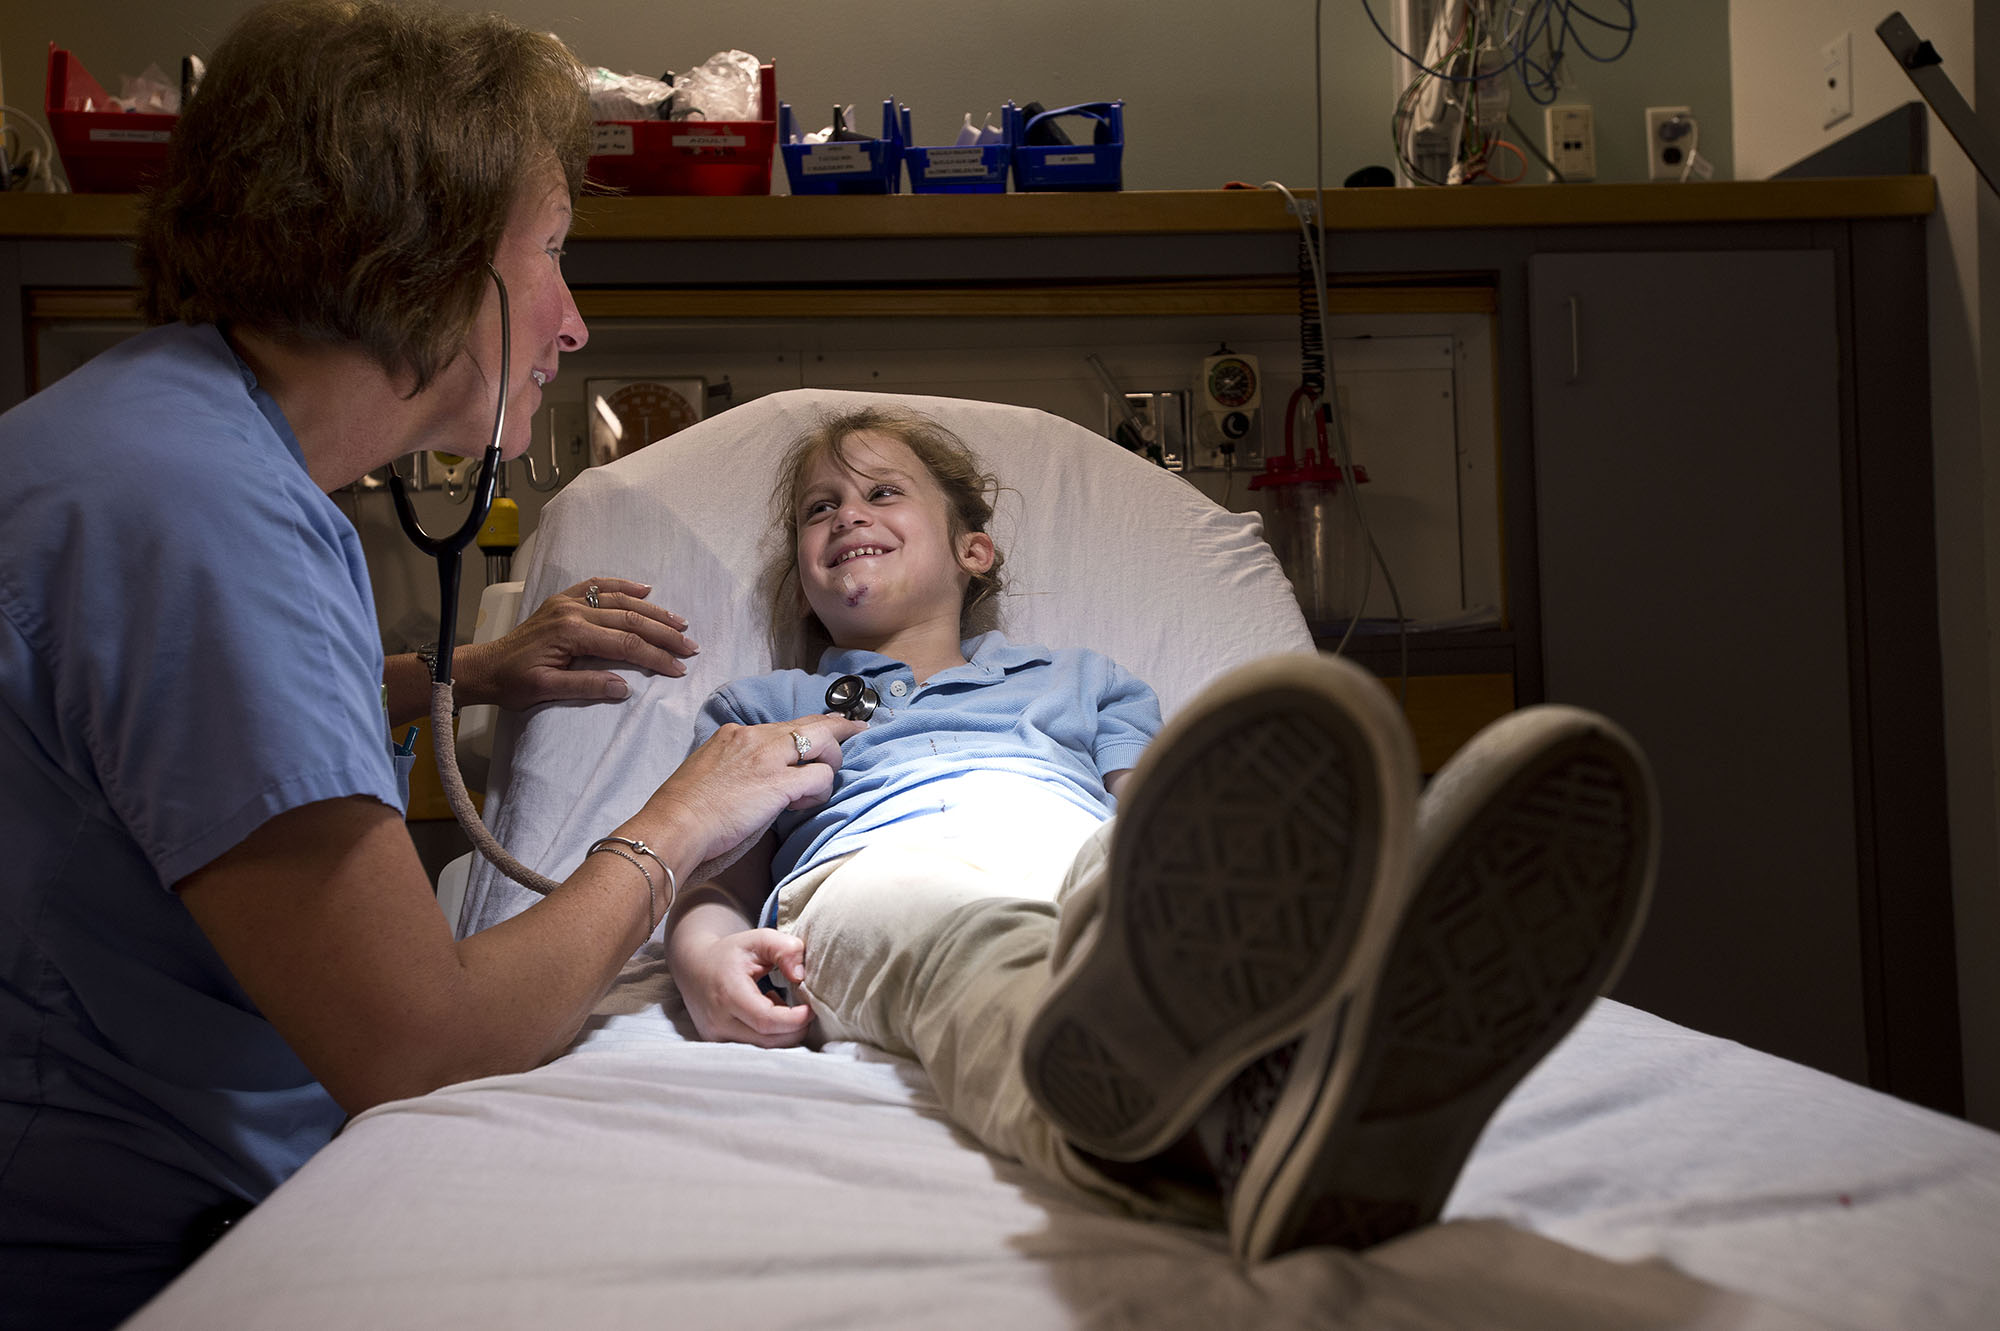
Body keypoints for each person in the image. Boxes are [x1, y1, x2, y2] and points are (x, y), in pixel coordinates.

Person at [0, 5, 856, 1326]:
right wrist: (680, 821)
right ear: (423, 263)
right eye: (552, 254)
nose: (572, 325)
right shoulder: (209, 521)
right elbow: (420, 1040)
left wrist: (461, 671)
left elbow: (142, 720)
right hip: (109, 1252)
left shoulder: (148, 439)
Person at [667, 405, 1662, 1262]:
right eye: (818, 509)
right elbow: (715, 876)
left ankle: (1342, 990)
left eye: (882, 493)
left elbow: (1167, 822)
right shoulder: (762, 708)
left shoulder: (1083, 681)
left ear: (974, 549)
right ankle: (1186, 1135)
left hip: (1073, 847)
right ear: (803, 581)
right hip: (874, 867)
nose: (847, 515)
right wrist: (703, 958)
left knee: (1129, 887)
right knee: (971, 948)